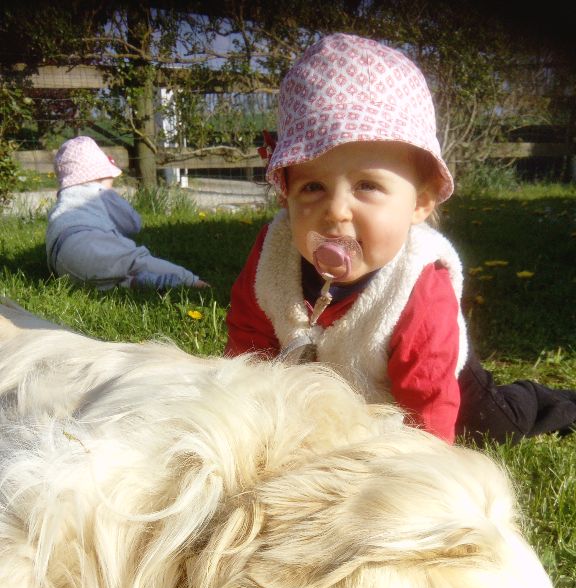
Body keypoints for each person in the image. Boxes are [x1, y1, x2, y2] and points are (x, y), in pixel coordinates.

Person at [225, 34, 576, 444]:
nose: (336, 210)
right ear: (286, 192)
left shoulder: (418, 284)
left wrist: (417, 469)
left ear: (420, 203)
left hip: (440, 383)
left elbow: (427, 409)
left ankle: (549, 402)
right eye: (313, 187)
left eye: (367, 186)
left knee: (492, 425)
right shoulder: (274, 258)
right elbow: (248, 348)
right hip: (343, 384)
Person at [46, 136, 209, 291]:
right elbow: (132, 224)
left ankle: (134, 283)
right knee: (135, 260)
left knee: (104, 275)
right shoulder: (100, 193)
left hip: (61, 264)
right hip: (88, 247)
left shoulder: (62, 202)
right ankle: (191, 281)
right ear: (102, 176)